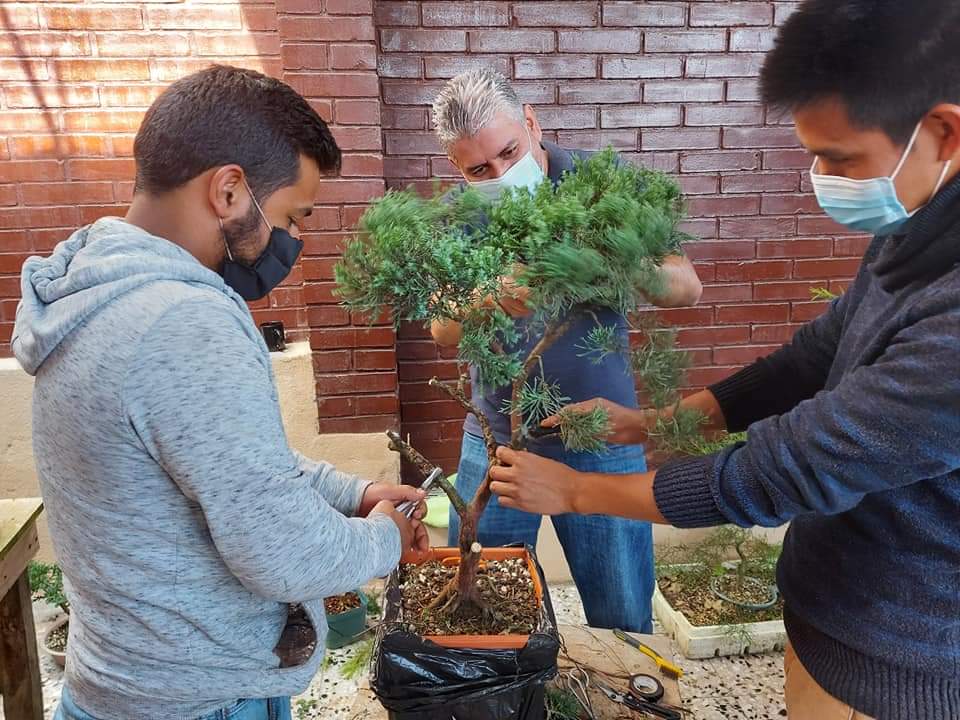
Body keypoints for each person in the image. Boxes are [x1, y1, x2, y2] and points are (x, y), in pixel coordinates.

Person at [488, 1, 960, 718]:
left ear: (944, 131)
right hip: (833, 607)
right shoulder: (915, 234)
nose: (819, 177)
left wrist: (578, 492)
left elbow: (786, 468)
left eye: (839, 158)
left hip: (902, 663)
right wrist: (650, 422)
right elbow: (814, 354)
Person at [13, 65, 428, 720]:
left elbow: (217, 465)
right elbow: (282, 551)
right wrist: (384, 539)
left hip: (125, 688)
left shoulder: (92, 293)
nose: (293, 241)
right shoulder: (185, 322)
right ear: (230, 190)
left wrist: (353, 493)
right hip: (199, 703)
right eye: (293, 216)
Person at [429, 69, 703, 633]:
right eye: (478, 168)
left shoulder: (604, 184)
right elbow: (440, 327)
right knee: (481, 610)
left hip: (602, 435)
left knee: (624, 613)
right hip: (499, 442)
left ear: (531, 121)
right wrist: (488, 296)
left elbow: (686, 287)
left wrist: (607, 260)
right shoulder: (460, 213)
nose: (500, 174)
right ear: (457, 167)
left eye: (509, 151)